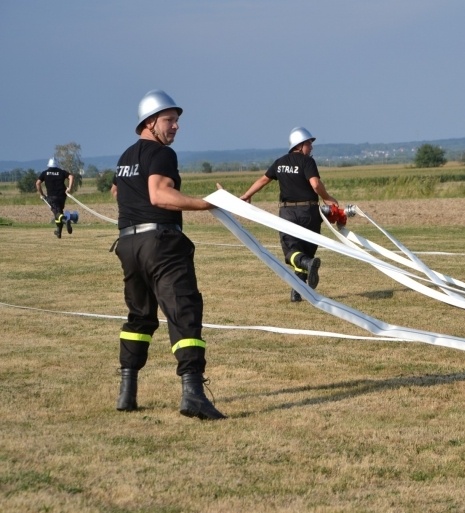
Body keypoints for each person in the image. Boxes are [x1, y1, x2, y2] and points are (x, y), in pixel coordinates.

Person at [112, 89, 226, 420]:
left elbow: (120, 191)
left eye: (177, 121)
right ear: (150, 122)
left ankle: (127, 392)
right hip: (161, 244)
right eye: (169, 120)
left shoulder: (125, 157)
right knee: (184, 313)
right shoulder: (161, 154)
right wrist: (207, 203)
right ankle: (193, 395)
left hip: (128, 245)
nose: (175, 126)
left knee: (140, 317)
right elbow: (160, 195)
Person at [241, 127, 338, 302]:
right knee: (305, 251)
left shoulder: (280, 162)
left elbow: (263, 180)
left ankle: (299, 286)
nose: (312, 147)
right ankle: (297, 290)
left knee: (292, 252)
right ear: (300, 145)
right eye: (309, 143)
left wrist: (247, 195)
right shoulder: (307, 162)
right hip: (309, 212)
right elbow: (315, 185)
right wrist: (328, 198)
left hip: (288, 212)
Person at [35, 158, 74, 238]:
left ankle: (66, 220)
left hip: (52, 197)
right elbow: (71, 176)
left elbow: (38, 183)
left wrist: (42, 194)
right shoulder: (61, 172)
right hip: (62, 196)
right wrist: (69, 188)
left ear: (49, 165)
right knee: (58, 213)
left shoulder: (45, 173)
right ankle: (58, 232)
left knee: (57, 214)